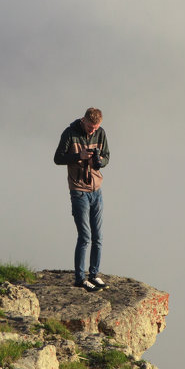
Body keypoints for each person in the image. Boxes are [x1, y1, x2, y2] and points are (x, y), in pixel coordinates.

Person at [53, 107, 110, 290]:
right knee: (85, 236)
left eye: (96, 127)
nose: (93, 131)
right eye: (90, 127)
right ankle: (80, 278)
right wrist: (79, 156)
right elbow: (57, 158)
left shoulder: (100, 133)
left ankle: (94, 275)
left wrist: (100, 161)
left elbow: (107, 157)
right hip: (78, 190)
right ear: (84, 121)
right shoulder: (70, 133)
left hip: (96, 190)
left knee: (98, 236)